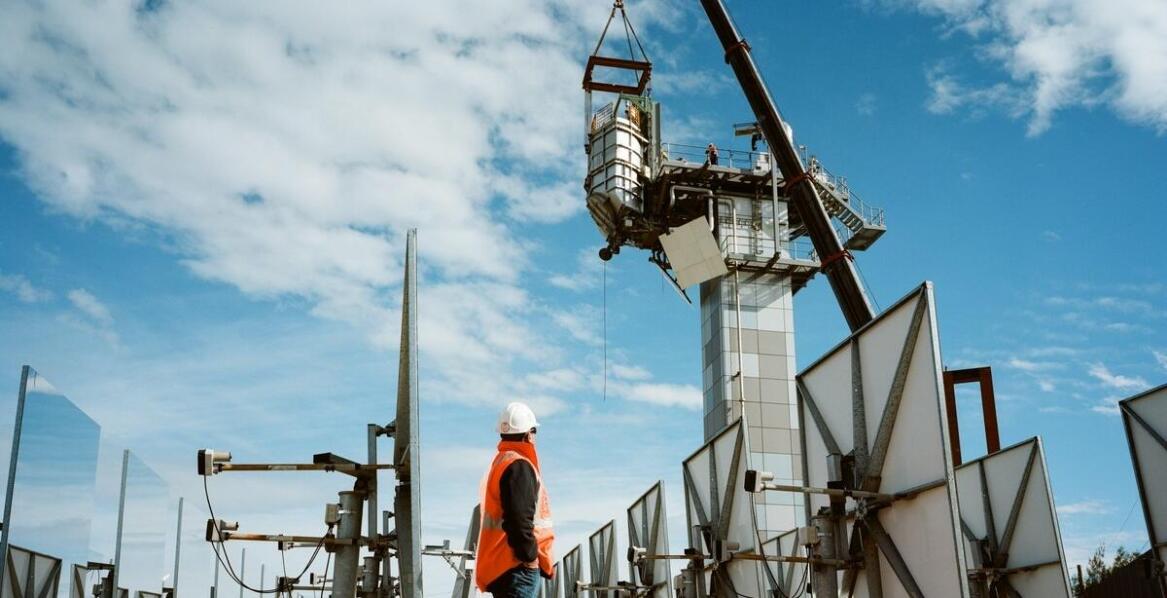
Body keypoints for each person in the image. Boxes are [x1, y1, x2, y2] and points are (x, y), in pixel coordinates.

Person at [475, 402, 555, 597]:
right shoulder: (519, 466)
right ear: (528, 434)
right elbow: (519, 519)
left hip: (502, 565)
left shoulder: (502, 462)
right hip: (517, 567)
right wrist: (529, 557)